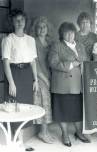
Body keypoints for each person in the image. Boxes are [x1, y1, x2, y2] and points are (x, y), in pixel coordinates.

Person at [1, 9, 38, 151]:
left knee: (24, 109)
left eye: (22, 20)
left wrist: (36, 80)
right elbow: (5, 62)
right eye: (16, 20)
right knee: (13, 108)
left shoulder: (31, 40)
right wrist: (11, 82)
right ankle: (14, 143)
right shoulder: (8, 39)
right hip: (14, 74)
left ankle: (21, 142)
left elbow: (33, 61)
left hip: (27, 75)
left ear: (25, 22)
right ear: (12, 22)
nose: (19, 22)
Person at [48, 22, 89, 147]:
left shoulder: (80, 46)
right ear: (62, 34)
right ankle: (64, 134)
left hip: (78, 84)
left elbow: (86, 61)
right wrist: (72, 64)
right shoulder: (56, 46)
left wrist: (82, 64)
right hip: (62, 84)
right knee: (62, 111)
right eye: (67, 32)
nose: (70, 35)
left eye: (72, 32)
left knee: (77, 110)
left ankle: (78, 132)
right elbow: (53, 63)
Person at [29, 16, 54, 144]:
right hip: (39, 76)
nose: (42, 29)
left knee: (48, 104)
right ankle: (42, 132)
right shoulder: (33, 41)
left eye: (44, 27)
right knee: (43, 103)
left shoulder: (50, 42)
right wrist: (45, 79)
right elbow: (35, 63)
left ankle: (46, 131)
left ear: (47, 28)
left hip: (49, 75)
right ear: (35, 29)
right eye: (39, 27)